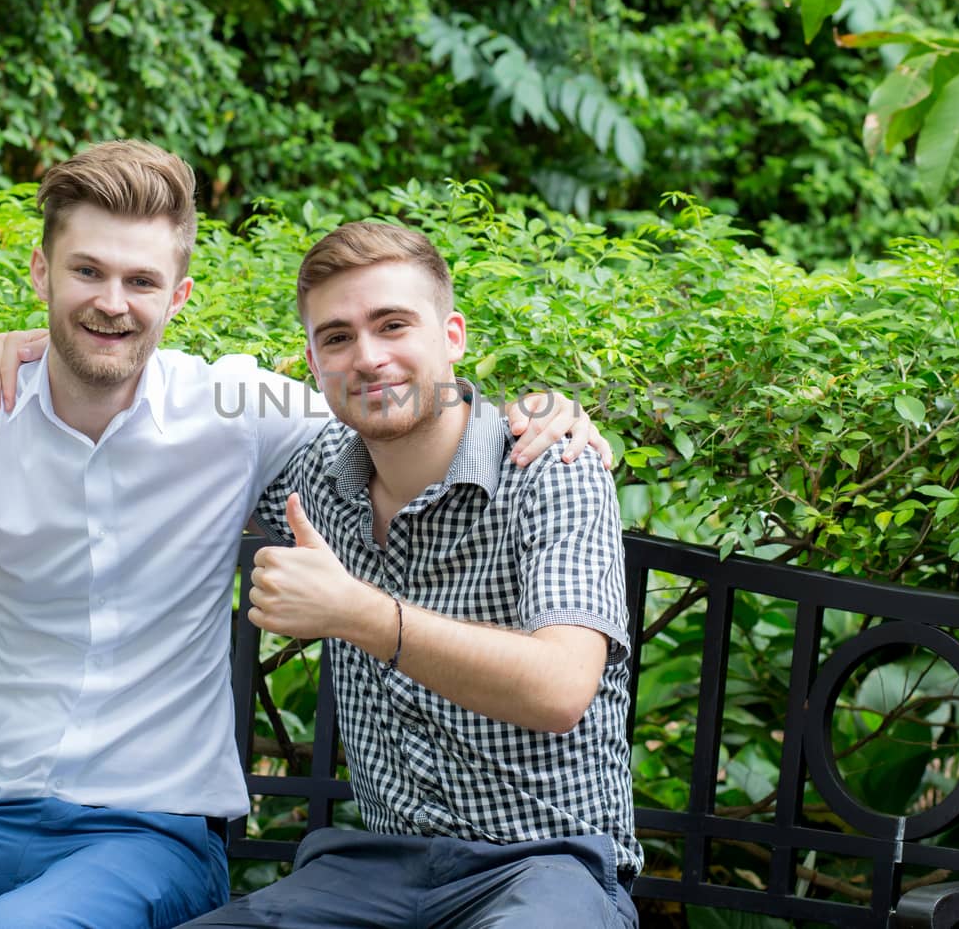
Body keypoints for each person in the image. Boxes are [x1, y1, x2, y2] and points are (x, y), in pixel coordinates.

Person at [0, 142, 597, 929]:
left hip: (152, 835)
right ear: (41, 273)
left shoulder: (234, 406)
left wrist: (554, 412)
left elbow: (399, 400)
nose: (111, 301)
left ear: (178, 298)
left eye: (142, 280)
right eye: (87, 271)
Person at [188, 222, 640, 928]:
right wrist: (41, 348)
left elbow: (561, 688)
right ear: (312, 363)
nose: (368, 357)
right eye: (337, 338)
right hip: (373, 869)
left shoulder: (549, 468)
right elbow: (157, 399)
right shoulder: (314, 481)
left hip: (546, 866)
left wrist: (358, 612)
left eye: (393, 324)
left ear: (452, 335)